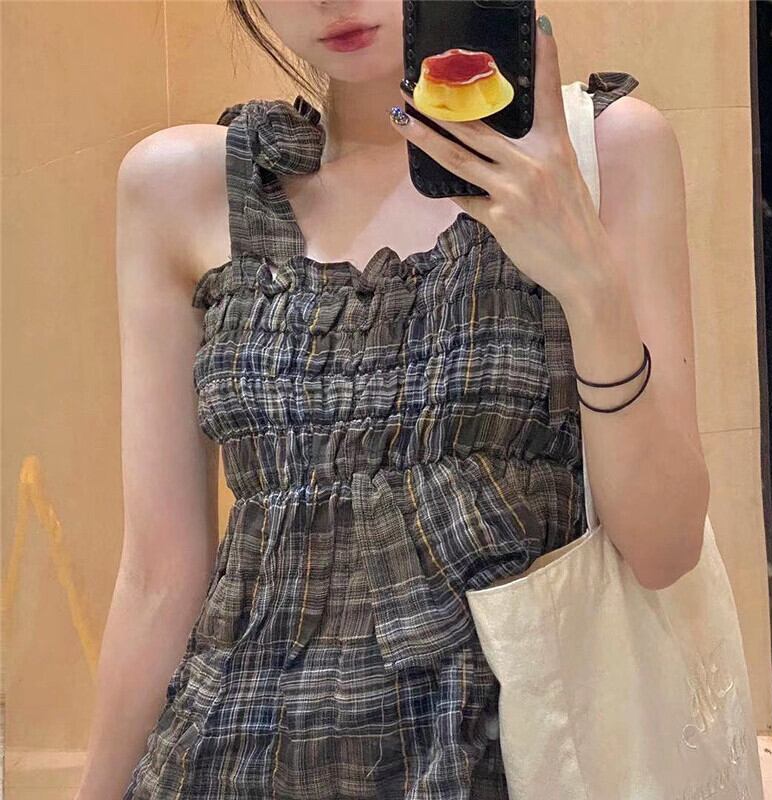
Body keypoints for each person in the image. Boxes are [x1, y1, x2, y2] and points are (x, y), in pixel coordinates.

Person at [75, 2, 709, 798]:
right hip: (238, 757)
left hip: (519, 759)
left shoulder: (607, 154)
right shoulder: (183, 187)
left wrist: (587, 284)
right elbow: (158, 580)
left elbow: (664, 548)